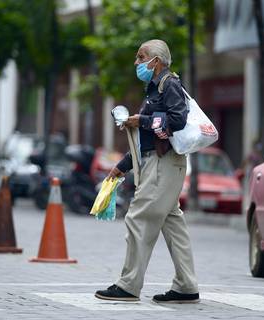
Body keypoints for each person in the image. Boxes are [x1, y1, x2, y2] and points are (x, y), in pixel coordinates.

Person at [95, 39, 199, 303]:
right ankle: (186, 287)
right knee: (172, 223)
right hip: (160, 163)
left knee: (138, 218)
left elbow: (178, 118)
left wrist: (139, 120)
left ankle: (128, 286)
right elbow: (146, 141)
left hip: (165, 165)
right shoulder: (153, 89)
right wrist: (121, 168)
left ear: (156, 61)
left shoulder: (169, 83)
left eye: (141, 57)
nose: (137, 63)